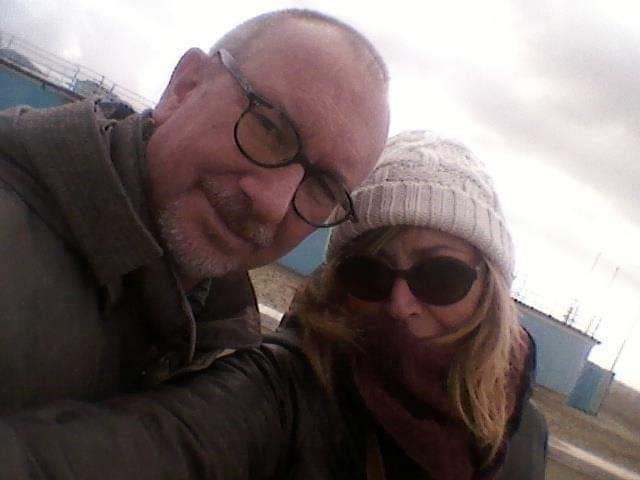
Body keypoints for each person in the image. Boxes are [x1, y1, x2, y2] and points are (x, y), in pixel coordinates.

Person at [0, 131, 544, 479]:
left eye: (439, 275)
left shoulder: (523, 428)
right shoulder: (287, 392)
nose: (401, 305)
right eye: (369, 274)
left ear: (490, 287)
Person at [0, 8, 389, 414]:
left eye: (323, 186)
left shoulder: (223, 332)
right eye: (269, 129)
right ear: (185, 87)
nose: (272, 207)